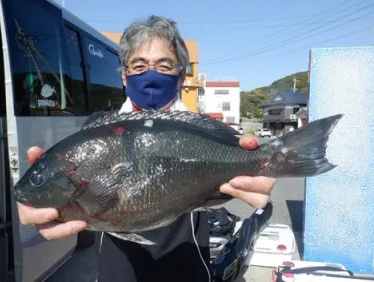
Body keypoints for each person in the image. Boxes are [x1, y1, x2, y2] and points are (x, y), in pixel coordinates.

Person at [19, 15, 276, 282]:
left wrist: (260, 166)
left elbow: (236, 170)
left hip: (186, 264)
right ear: (124, 76)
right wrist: (44, 205)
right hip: (117, 268)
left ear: (179, 78)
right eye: (139, 65)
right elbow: (78, 200)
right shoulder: (95, 131)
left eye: (164, 65)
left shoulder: (203, 131)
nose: (150, 74)